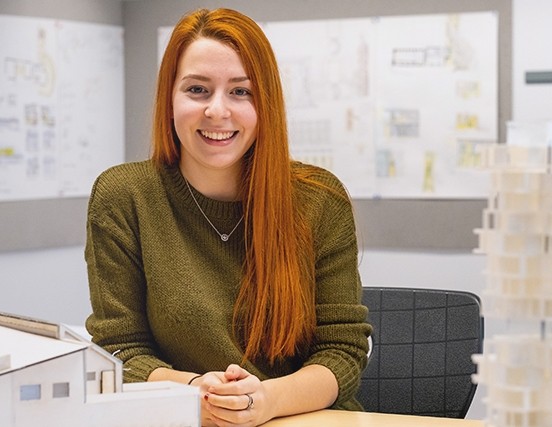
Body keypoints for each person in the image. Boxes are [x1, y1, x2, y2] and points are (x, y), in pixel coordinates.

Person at [83, 8, 371, 427]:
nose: (217, 111)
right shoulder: (124, 197)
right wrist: (194, 391)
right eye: (197, 89)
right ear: (170, 98)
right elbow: (119, 349)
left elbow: (342, 352)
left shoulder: (318, 199)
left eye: (241, 92)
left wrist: (265, 400)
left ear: (265, 103)